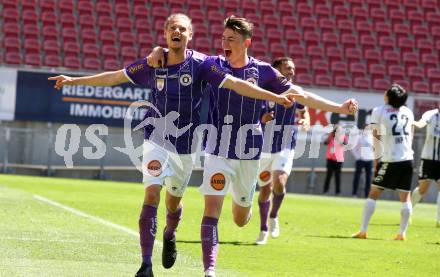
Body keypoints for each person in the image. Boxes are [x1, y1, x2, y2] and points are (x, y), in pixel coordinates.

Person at [48, 14, 297, 277]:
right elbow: (116, 77)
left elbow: (236, 84)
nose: (176, 31)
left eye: (182, 28)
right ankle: (146, 265)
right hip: (156, 136)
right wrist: (74, 81)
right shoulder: (154, 63)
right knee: (151, 194)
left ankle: (169, 232)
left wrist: (273, 97)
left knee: (173, 202)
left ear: (190, 35)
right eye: (172, 28)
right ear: (165, 34)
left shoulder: (202, 65)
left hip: (187, 145)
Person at [147, 15, 358, 277]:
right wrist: (159, 50)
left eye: (231, 39)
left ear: (246, 42)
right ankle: (209, 270)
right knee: (211, 210)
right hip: (217, 148)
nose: (225, 43)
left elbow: (300, 94)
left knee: (239, 219)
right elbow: (178, 52)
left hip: (249, 151)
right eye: (223, 38)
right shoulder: (212, 65)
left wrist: (338, 108)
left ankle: (248, 207)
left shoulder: (263, 71)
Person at [255, 57, 310, 245]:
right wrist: (263, 118)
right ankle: (263, 229)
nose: (291, 71)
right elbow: (257, 116)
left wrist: (305, 120)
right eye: (287, 68)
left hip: (286, 143)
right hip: (264, 146)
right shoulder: (264, 91)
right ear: (276, 70)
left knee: (279, 181)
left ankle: (274, 216)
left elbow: (304, 111)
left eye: (293, 68)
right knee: (264, 190)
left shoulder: (296, 92)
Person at [352, 84, 414, 241]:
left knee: (373, 194)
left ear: (389, 96)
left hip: (390, 159)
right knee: (405, 197)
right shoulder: (408, 111)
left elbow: (376, 137)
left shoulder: (379, 111)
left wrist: (375, 160)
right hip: (407, 158)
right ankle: (402, 233)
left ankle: (363, 231)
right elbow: (411, 135)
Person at [411, 102, 440, 227]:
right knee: (422, 190)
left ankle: (439, 220)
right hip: (427, 159)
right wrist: (412, 122)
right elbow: (421, 123)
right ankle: (409, 209)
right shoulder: (431, 114)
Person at [322, 124, 348, 195]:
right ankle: (325, 191)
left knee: (337, 176)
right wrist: (330, 135)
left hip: (338, 159)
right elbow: (325, 143)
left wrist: (339, 138)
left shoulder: (343, 137)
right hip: (330, 158)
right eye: (336, 130)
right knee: (328, 175)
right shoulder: (331, 136)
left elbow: (345, 143)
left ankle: (337, 192)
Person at [351, 125, 374, 197]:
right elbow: (354, 149)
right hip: (360, 160)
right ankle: (354, 194)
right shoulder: (359, 138)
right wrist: (358, 157)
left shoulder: (372, 138)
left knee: (368, 178)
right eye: (366, 129)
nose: (367, 130)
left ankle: (367, 195)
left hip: (369, 160)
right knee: (357, 177)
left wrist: (372, 156)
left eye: (369, 129)